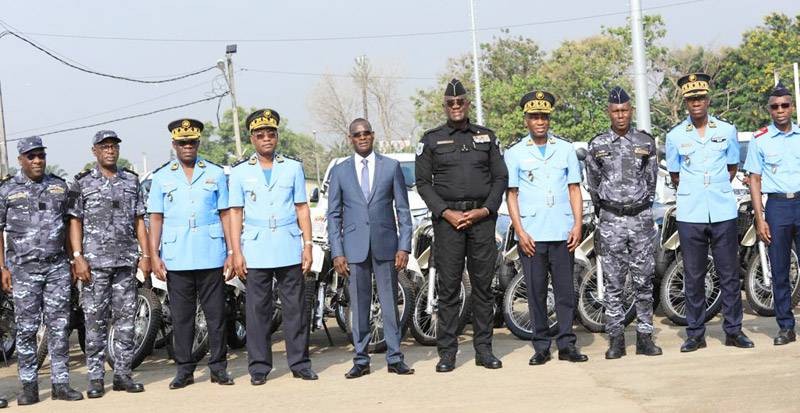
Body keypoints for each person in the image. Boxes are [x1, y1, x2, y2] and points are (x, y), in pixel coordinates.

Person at [415, 79, 508, 372]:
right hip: (448, 223)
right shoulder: (431, 140)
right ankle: (447, 353)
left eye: (460, 102)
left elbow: (500, 179)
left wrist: (485, 210)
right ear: (444, 106)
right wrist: (445, 212)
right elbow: (422, 183)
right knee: (449, 289)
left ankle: (484, 350)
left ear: (467, 104)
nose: (455, 107)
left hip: (481, 221)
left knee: (482, 288)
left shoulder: (486, 137)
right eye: (450, 103)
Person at [665, 73, 753, 352]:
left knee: (728, 273)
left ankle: (734, 330)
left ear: (708, 99)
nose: (696, 103)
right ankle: (695, 333)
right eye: (691, 99)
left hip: (722, 210)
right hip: (691, 213)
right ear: (685, 102)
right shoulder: (675, 135)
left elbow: (731, 169)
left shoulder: (726, 131)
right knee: (693, 275)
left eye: (700, 98)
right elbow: (676, 174)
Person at [229, 109, 317, 384]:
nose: (266, 138)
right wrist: (236, 251)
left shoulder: (292, 167)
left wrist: (308, 244)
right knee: (257, 312)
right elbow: (235, 213)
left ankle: (300, 363)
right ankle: (258, 367)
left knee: (295, 309)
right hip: (255, 249)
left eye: (271, 133)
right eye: (260, 135)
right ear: (252, 139)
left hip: (288, 245)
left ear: (277, 136)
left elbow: (302, 208)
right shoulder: (241, 171)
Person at [147, 119, 235, 388]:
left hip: (211, 253)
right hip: (177, 255)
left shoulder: (215, 173)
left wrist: (231, 251)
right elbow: (156, 218)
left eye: (192, 142)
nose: (187, 146)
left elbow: (225, 214)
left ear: (198, 143)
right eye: (182, 142)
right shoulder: (162, 176)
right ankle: (184, 369)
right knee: (182, 318)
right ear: (174, 145)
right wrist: (153, 255)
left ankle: (218, 367)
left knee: (216, 315)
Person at [504, 90, 588, 365]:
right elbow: (511, 195)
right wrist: (519, 231)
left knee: (565, 291)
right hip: (532, 233)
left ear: (549, 118)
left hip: (562, 231)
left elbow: (574, 189)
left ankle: (566, 344)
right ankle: (541, 345)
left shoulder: (564, 149)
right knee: (536, 292)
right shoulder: (515, 152)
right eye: (534, 117)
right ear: (526, 119)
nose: (540, 121)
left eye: (544, 116)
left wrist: (578, 225)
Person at [327, 118, 414, 379]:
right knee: (359, 305)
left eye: (366, 133)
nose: (362, 137)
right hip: (353, 249)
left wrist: (404, 246)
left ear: (373, 135)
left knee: (389, 303)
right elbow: (333, 215)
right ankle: (361, 359)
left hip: (386, 245)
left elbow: (403, 210)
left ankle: (395, 357)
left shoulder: (391, 167)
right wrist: (337, 251)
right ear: (350, 138)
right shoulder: (340, 171)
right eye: (357, 134)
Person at [0, 136, 83, 404]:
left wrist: (74, 259)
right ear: (20, 160)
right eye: (31, 156)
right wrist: (2, 267)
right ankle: (29, 386)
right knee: (26, 329)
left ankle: (61, 384)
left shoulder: (59, 187)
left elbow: (71, 224)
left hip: (56, 268)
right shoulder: (7, 190)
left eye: (40, 156)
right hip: (23, 270)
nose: (37, 161)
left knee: (59, 327)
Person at [67, 130, 150, 397]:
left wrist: (146, 255)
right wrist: (78, 257)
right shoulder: (82, 183)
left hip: (125, 262)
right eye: (105, 147)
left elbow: (139, 221)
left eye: (114, 146)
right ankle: (95, 378)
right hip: (94, 265)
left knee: (126, 321)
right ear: (95, 151)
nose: (110, 151)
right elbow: (75, 222)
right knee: (95, 322)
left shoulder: (131, 180)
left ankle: (123, 374)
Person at [585, 87, 663, 359]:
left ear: (631, 111)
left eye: (625, 110)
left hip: (640, 218)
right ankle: (615, 338)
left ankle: (645, 337)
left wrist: (640, 206)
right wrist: (607, 209)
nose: (620, 115)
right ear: (609, 112)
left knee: (644, 280)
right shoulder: (597, 145)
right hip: (611, 219)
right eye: (616, 111)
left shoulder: (645, 142)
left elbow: (651, 181)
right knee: (613, 282)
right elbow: (593, 184)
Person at [743, 82, 800, 345]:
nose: (780, 110)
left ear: (792, 107)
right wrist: (760, 216)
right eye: (775, 106)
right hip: (777, 207)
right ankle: (786, 327)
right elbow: (754, 180)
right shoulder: (760, 140)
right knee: (779, 270)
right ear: (769, 109)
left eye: (785, 105)